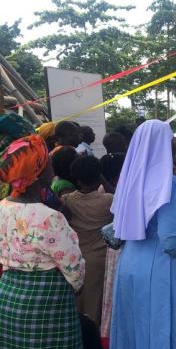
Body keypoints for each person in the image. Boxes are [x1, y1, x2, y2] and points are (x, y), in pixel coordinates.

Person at [110, 120, 176, 349]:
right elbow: (173, 239)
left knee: (136, 328)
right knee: (167, 329)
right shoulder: (169, 185)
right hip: (165, 268)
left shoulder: (128, 183)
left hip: (131, 263)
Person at [0, 135, 85, 348]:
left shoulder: (2, 207)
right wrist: (76, 286)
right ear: (37, 174)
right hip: (48, 303)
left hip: (9, 296)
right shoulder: (49, 217)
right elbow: (74, 268)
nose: (51, 167)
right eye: (47, 162)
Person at [62, 156, 113, 327]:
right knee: (97, 309)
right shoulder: (107, 200)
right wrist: (102, 177)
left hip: (77, 259)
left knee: (79, 306)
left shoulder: (68, 200)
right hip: (101, 261)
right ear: (98, 175)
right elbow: (118, 196)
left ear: (76, 179)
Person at [98, 152, 126, 342]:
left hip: (110, 251)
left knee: (110, 297)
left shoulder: (105, 190)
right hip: (118, 251)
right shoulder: (112, 195)